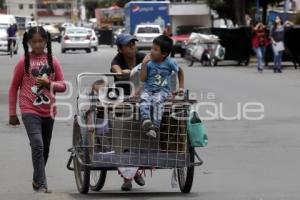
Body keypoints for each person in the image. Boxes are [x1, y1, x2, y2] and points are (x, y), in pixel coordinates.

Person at [8, 26, 66, 193]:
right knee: (38, 145)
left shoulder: (53, 61)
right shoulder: (22, 62)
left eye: (41, 41)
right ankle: (42, 184)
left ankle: (36, 179)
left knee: (45, 148)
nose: (38, 44)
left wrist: (49, 84)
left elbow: (63, 86)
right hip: (29, 109)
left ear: (46, 41)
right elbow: (13, 88)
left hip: (49, 111)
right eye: (34, 41)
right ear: (29, 42)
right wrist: (12, 113)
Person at [110, 34, 146, 191]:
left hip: (142, 98)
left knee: (140, 135)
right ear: (120, 49)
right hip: (123, 101)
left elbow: (150, 64)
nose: (132, 46)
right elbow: (116, 70)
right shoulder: (116, 60)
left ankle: (136, 170)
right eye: (128, 45)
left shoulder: (142, 57)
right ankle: (127, 178)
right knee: (125, 138)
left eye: (133, 44)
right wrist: (121, 72)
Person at [140, 35, 185, 138]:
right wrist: (143, 64)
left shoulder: (170, 62)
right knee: (144, 99)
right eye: (152, 48)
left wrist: (181, 87)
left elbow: (180, 71)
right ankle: (146, 120)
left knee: (157, 101)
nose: (151, 51)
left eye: (155, 49)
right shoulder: (149, 63)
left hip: (162, 91)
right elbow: (142, 79)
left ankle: (155, 126)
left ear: (164, 54)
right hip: (148, 90)